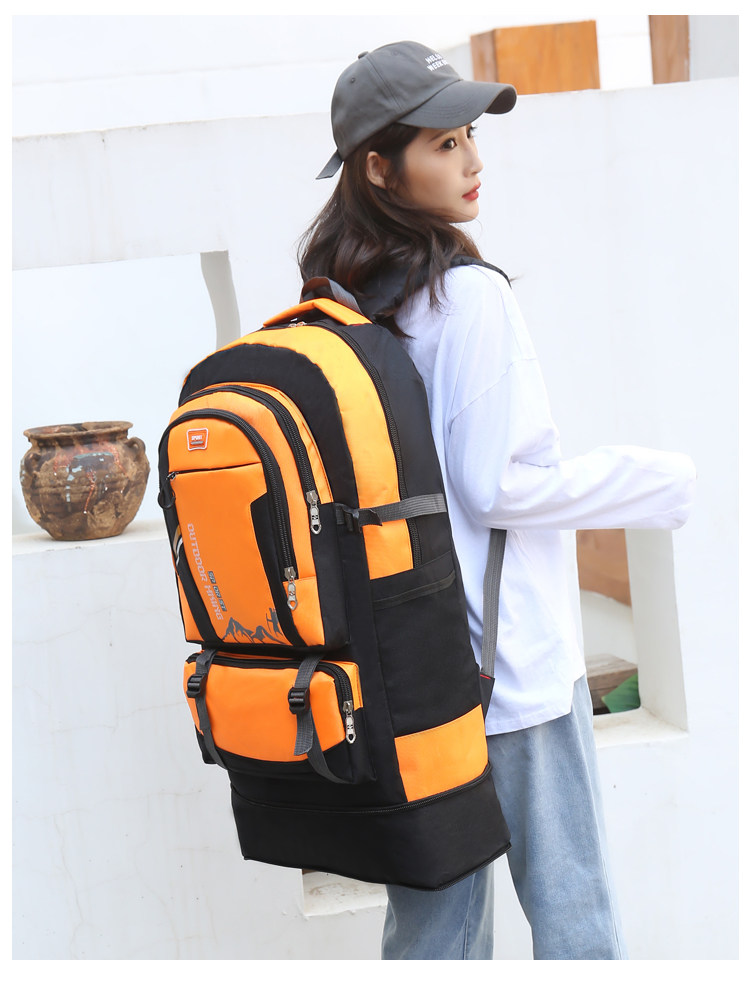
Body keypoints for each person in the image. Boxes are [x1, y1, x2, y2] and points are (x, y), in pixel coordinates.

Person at [298, 41, 696, 960]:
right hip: (509, 669)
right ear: (379, 167)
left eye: (470, 135)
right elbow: (499, 485)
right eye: (444, 144)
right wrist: (656, 481)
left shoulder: (341, 296)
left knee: (435, 938)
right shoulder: (466, 296)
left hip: (409, 674)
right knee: (576, 921)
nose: (473, 160)